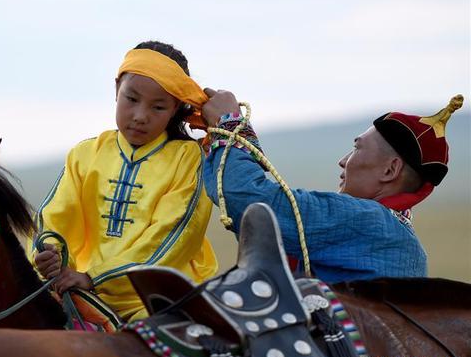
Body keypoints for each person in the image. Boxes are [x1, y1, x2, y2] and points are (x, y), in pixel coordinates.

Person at [30, 41, 218, 321]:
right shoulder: (85, 154)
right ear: (117, 89)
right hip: (82, 291)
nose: (140, 116)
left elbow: (172, 239)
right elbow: (57, 218)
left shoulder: (189, 159)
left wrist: (95, 278)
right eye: (131, 99)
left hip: (158, 299)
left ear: (175, 108)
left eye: (158, 107)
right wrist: (51, 256)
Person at [200, 89, 463, 282]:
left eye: (356, 148)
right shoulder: (403, 241)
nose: (343, 161)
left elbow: (251, 202)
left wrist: (229, 123)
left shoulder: (368, 221)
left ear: (389, 170)